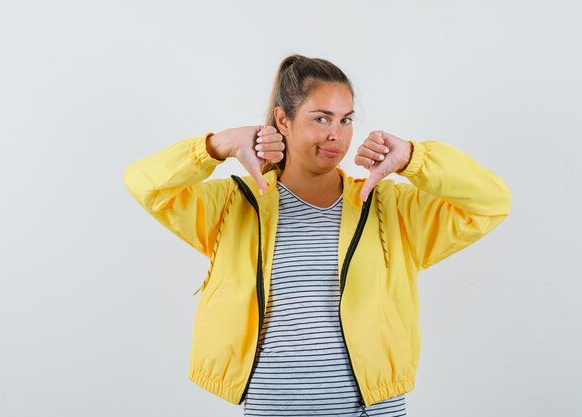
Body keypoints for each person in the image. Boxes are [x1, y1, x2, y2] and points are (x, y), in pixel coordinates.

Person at [123, 54, 511, 417]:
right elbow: (144, 185)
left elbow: (491, 202)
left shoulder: (389, 207)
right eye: (322, 119)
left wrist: (414, 158)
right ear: (283, 120)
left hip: (371, 408)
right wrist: (215, 146)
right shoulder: (235, 204)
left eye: (345, 120)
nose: (336, 136)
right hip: (272, 404)